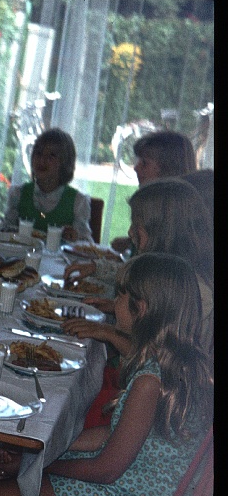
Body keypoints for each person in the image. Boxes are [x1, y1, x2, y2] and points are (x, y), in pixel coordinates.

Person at [0, 252, 213, 496]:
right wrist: (42, 449)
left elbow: (106, 471)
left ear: (141, 308)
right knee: (4, 468)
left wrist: (40, 466)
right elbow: (114, 433)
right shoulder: (178, 363)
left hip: (131, 491)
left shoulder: (150, 382)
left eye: (120, 295)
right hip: (132, 474)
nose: (115, 302)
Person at [63, 177, 214, 428]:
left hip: (166, 406)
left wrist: (108, 332)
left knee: (77, 394)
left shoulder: (196, 292)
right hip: (148, 389)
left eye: (138, 224)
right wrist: (114, 301)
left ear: (162, 231)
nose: (130, 231)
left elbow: (159, 363)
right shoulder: (171, 273)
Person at [0, 127, 93, 242]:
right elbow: (7, 228)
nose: (42, 160)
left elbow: (87, 244)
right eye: (38, 153)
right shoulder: (19, 194)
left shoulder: (78, 202)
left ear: (65, 163)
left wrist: (76, 237)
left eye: (51, 156)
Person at [111, 130, 197, 253]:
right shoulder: (160, 208)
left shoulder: (177, 220)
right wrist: (130, 243)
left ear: (169, 170)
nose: (136, 167)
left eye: (144, 163)